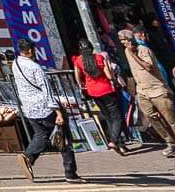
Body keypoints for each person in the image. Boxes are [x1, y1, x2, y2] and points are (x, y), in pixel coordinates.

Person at [13, 39, 80, 182]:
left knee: (41, 135)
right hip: (44, 108)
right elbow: (47, 91)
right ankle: (70, 172)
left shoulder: (16, 64)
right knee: (64, 138)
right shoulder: (35, 68)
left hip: (29, 108)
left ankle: (28, 156)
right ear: (30, 51)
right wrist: (58, 112)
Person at [120, 27, 175, 158]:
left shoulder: (143, 50)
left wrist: (133, 54)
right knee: (150, 116)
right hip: (142, 91)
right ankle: (170, 142)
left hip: (157, 90)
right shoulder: (126, 51)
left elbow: (148, 67)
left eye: (124, 40)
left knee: (172, 120)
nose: (122, 43)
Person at [72, 39, 126, 155]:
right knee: (117, 117)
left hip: (93, 91)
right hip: (106, 89)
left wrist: (82, 85)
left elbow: (77, 77)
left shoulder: (78, 61)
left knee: (108, 117)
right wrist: (112, 77)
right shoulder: (99, 58)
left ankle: (120, 143)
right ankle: (114, 140)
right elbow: (108, 75)